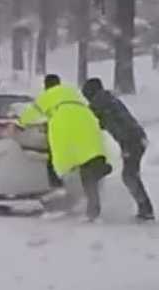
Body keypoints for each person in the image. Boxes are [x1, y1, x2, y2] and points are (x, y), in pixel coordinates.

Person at [16, 74, 111, 220]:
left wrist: (19, 124)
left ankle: (58, 187)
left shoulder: (48, 95)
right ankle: (93, 206)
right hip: (87, 125)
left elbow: (32, 113)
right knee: (88, 166)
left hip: (67, 128)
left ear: (46, 86)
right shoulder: (72, 92)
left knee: (59, 159)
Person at [81, 77, 154, 221]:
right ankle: (145, 208)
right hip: (137, 138)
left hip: (130, 141)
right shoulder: (108, 99)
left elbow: (92, 119)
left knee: (129, 176)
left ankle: (146, 209)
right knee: (130, 175)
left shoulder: (100, 102)